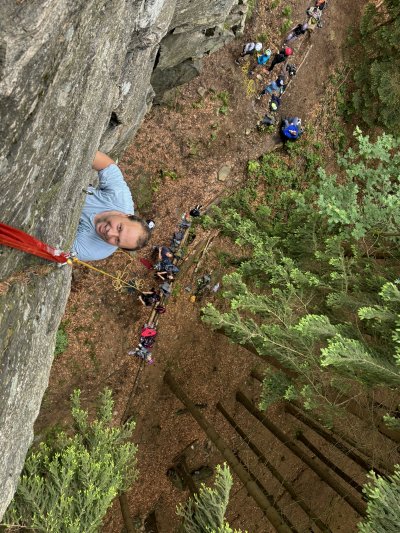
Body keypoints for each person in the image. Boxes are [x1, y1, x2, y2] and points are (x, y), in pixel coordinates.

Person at [72, 151, 151, 261]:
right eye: (119, 228)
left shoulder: (93, 250)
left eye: (117, 240)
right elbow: (105, 164)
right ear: (126, 215)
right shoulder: (120, 198)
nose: (110, 233)